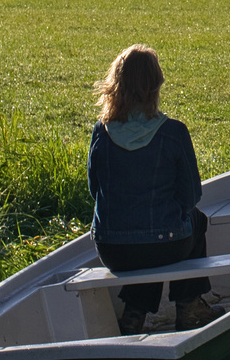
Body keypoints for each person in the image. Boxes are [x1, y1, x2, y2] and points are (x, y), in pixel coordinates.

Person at [87, 44, 219, 335]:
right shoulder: (173, 132)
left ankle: (134, 313)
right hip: (165, 243)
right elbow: (191, 196)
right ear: (155, 86)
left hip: (111, 249)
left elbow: (94, 189)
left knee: (144, 239)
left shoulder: (101, 131)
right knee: (191, 222)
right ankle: (189, 305)